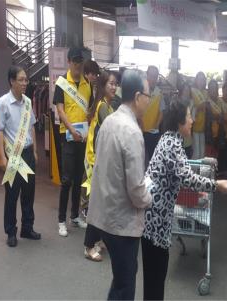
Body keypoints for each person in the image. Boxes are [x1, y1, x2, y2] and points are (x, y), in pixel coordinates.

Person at [142, 99, 227, 300]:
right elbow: (187, 177)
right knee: (156, 276)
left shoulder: (167, 138)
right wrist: (217, 185)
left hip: (151, 214)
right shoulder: (174, 143)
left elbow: (178, 171)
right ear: (180, 122)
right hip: (157, 217)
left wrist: (200, 169)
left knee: (152, 276)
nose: (192, 120)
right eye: (189, 116)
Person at [86, 70, 152, 300]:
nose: (149, 100)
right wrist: (149, 198)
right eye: (148, 95)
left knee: (122, 277)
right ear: (137, 96)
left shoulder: (111, 120)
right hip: (122, 222)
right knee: (125, 284)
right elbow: (136, 189)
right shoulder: (132, 132)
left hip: (104, 215)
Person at [0, 66, 41, 247]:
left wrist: (35, 151)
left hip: (28, 152)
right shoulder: (3, 103)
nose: (24, 83)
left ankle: (27, 228)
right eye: (21, 80)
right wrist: (1, 157)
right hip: (13, 155)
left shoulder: (28, 102)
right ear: (12, 81)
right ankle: (11, 231)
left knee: (29, 193)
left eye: (26, 80)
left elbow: (32, 127)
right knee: (12, 195)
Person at [54, 47, 93, 237]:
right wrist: (72, 130)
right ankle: (62, 220)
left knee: (79, 178)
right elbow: (60, 111)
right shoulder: (62, 83)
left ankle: (75, 216)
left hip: (83, 138)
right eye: (75, 61)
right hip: (69, 138)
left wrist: (87, 126)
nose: (78, 65)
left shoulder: (87, 85)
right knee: (67, 179)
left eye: (80, 62)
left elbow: (90, 110)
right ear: (69, 62)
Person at [82, 71, 117, 262]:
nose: (114, 87)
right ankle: (89, 245)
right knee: (97, 206)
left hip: (101, 161)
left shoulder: (107, 106)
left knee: (103, 204)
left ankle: (98, 240)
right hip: (96, 162)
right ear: (103, 86)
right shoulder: (103, 107)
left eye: (115, 83)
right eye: (111, 83)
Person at [142, 66, 165, 163]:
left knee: (152, 159)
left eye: (155, 77)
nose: (153, 79)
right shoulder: (140, 90)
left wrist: (156, 125)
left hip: (153, 133)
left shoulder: (159, 93)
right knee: (140, 158)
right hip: (140, 131)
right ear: (146, 75)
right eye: (151, 76)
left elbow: (162, 111)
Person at [191, 72, 209, 159]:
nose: (201, 81)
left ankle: (200, 172)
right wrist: (197, 108)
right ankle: (194, 172)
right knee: (196, 153)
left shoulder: (206, 92)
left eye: (203, 79)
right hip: (194, 127)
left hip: (203, 127)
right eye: (199, 79)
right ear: (196, 80)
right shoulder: (192, 91)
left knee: (202, 154)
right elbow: (189, 107)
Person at [179, 82, 194, 158]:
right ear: (181, 91)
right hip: (178, 133)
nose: (186, 92)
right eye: (185, 90)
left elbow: (193, 118)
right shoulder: (176, 102)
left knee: (187, 156)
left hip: (187, 133)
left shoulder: (192, 103)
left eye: (188, 90)